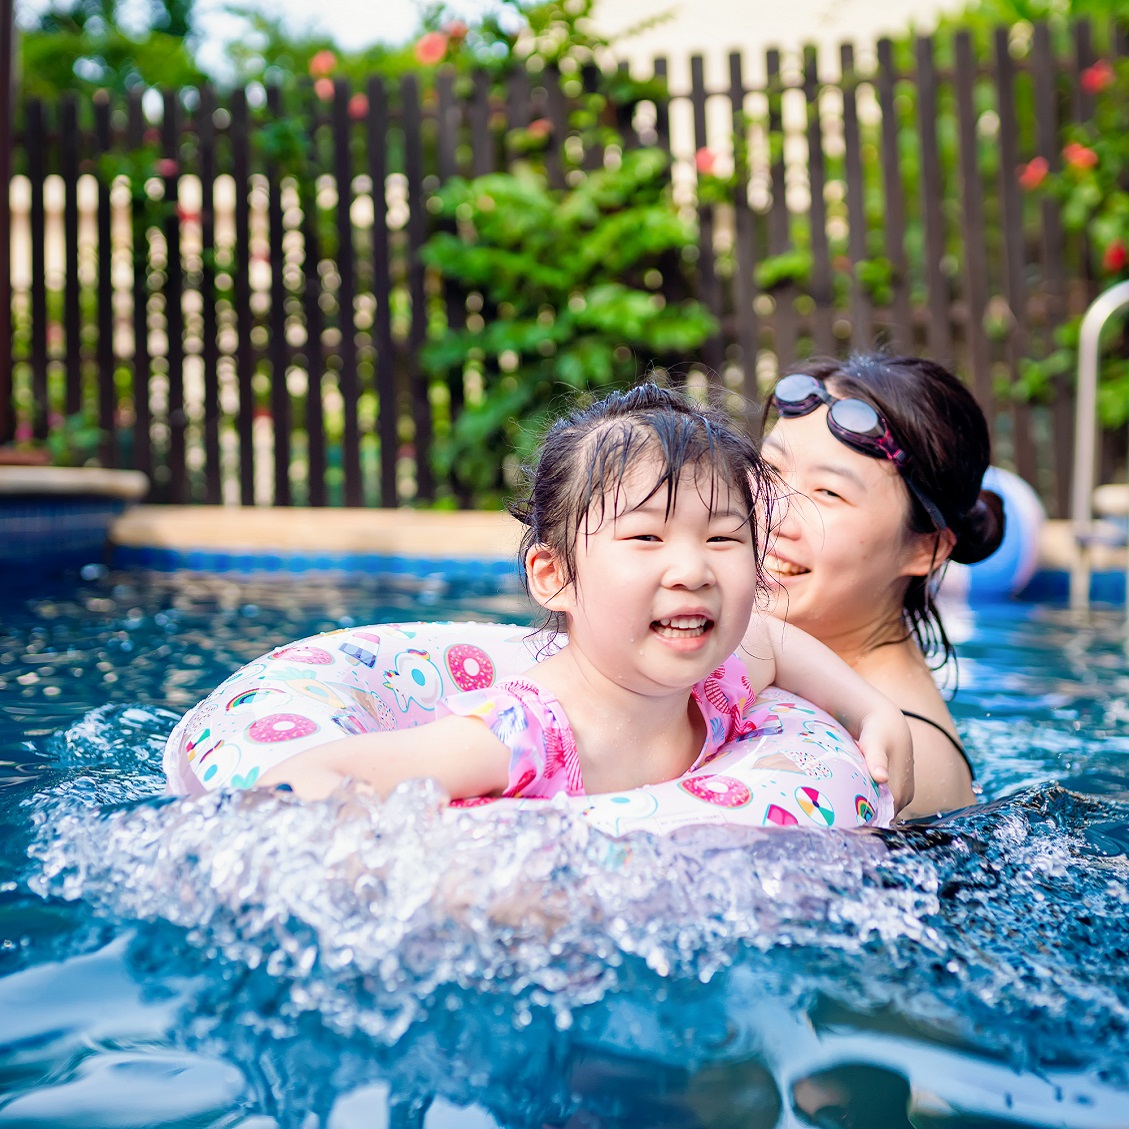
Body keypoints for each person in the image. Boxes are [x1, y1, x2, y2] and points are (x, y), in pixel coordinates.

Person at [259, 383, 912, 806]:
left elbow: (772, 638)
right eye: (645, 537)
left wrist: (871, 710)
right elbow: (303, 781)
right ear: (555, 576)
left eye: (721, 539)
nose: (692, 570)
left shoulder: (727, 674)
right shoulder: (519, 738)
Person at [758, 353, 1005, 819]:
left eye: (829, 493)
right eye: (769, 470)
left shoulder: (892, 759)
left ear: (925, 551)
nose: (772, 513)